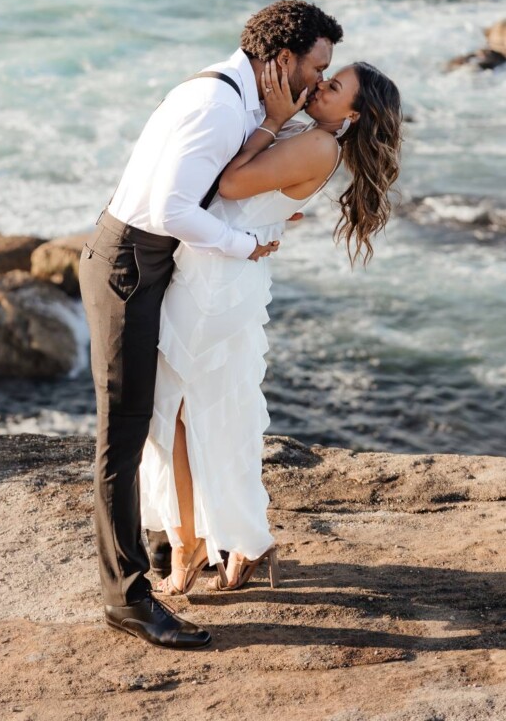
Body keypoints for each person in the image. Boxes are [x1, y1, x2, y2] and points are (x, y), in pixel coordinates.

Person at [78, 0, 343, 649]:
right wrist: (242, 247)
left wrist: (265, 216)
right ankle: (128, 599)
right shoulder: (219, 105)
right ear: (281, 59)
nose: (317, 80)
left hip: (147, 262)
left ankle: (175, 547)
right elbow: (171, 206)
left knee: (158, 417)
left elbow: (218, 189)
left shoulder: (239, 98)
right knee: (124, 433)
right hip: (129, 266)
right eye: (317, 66)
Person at [139, 57, 403, 595]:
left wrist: (271, 122)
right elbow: (250, 197)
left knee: (184, 414)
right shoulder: (311, 138)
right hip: (214, 270)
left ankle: (200, 548)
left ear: (353, 115)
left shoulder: (317, 144)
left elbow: (232, 184)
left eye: (334, 88)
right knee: (192, 415)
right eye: (325, 79)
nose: (319, 89)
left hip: (215, 284)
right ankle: (230, 543)